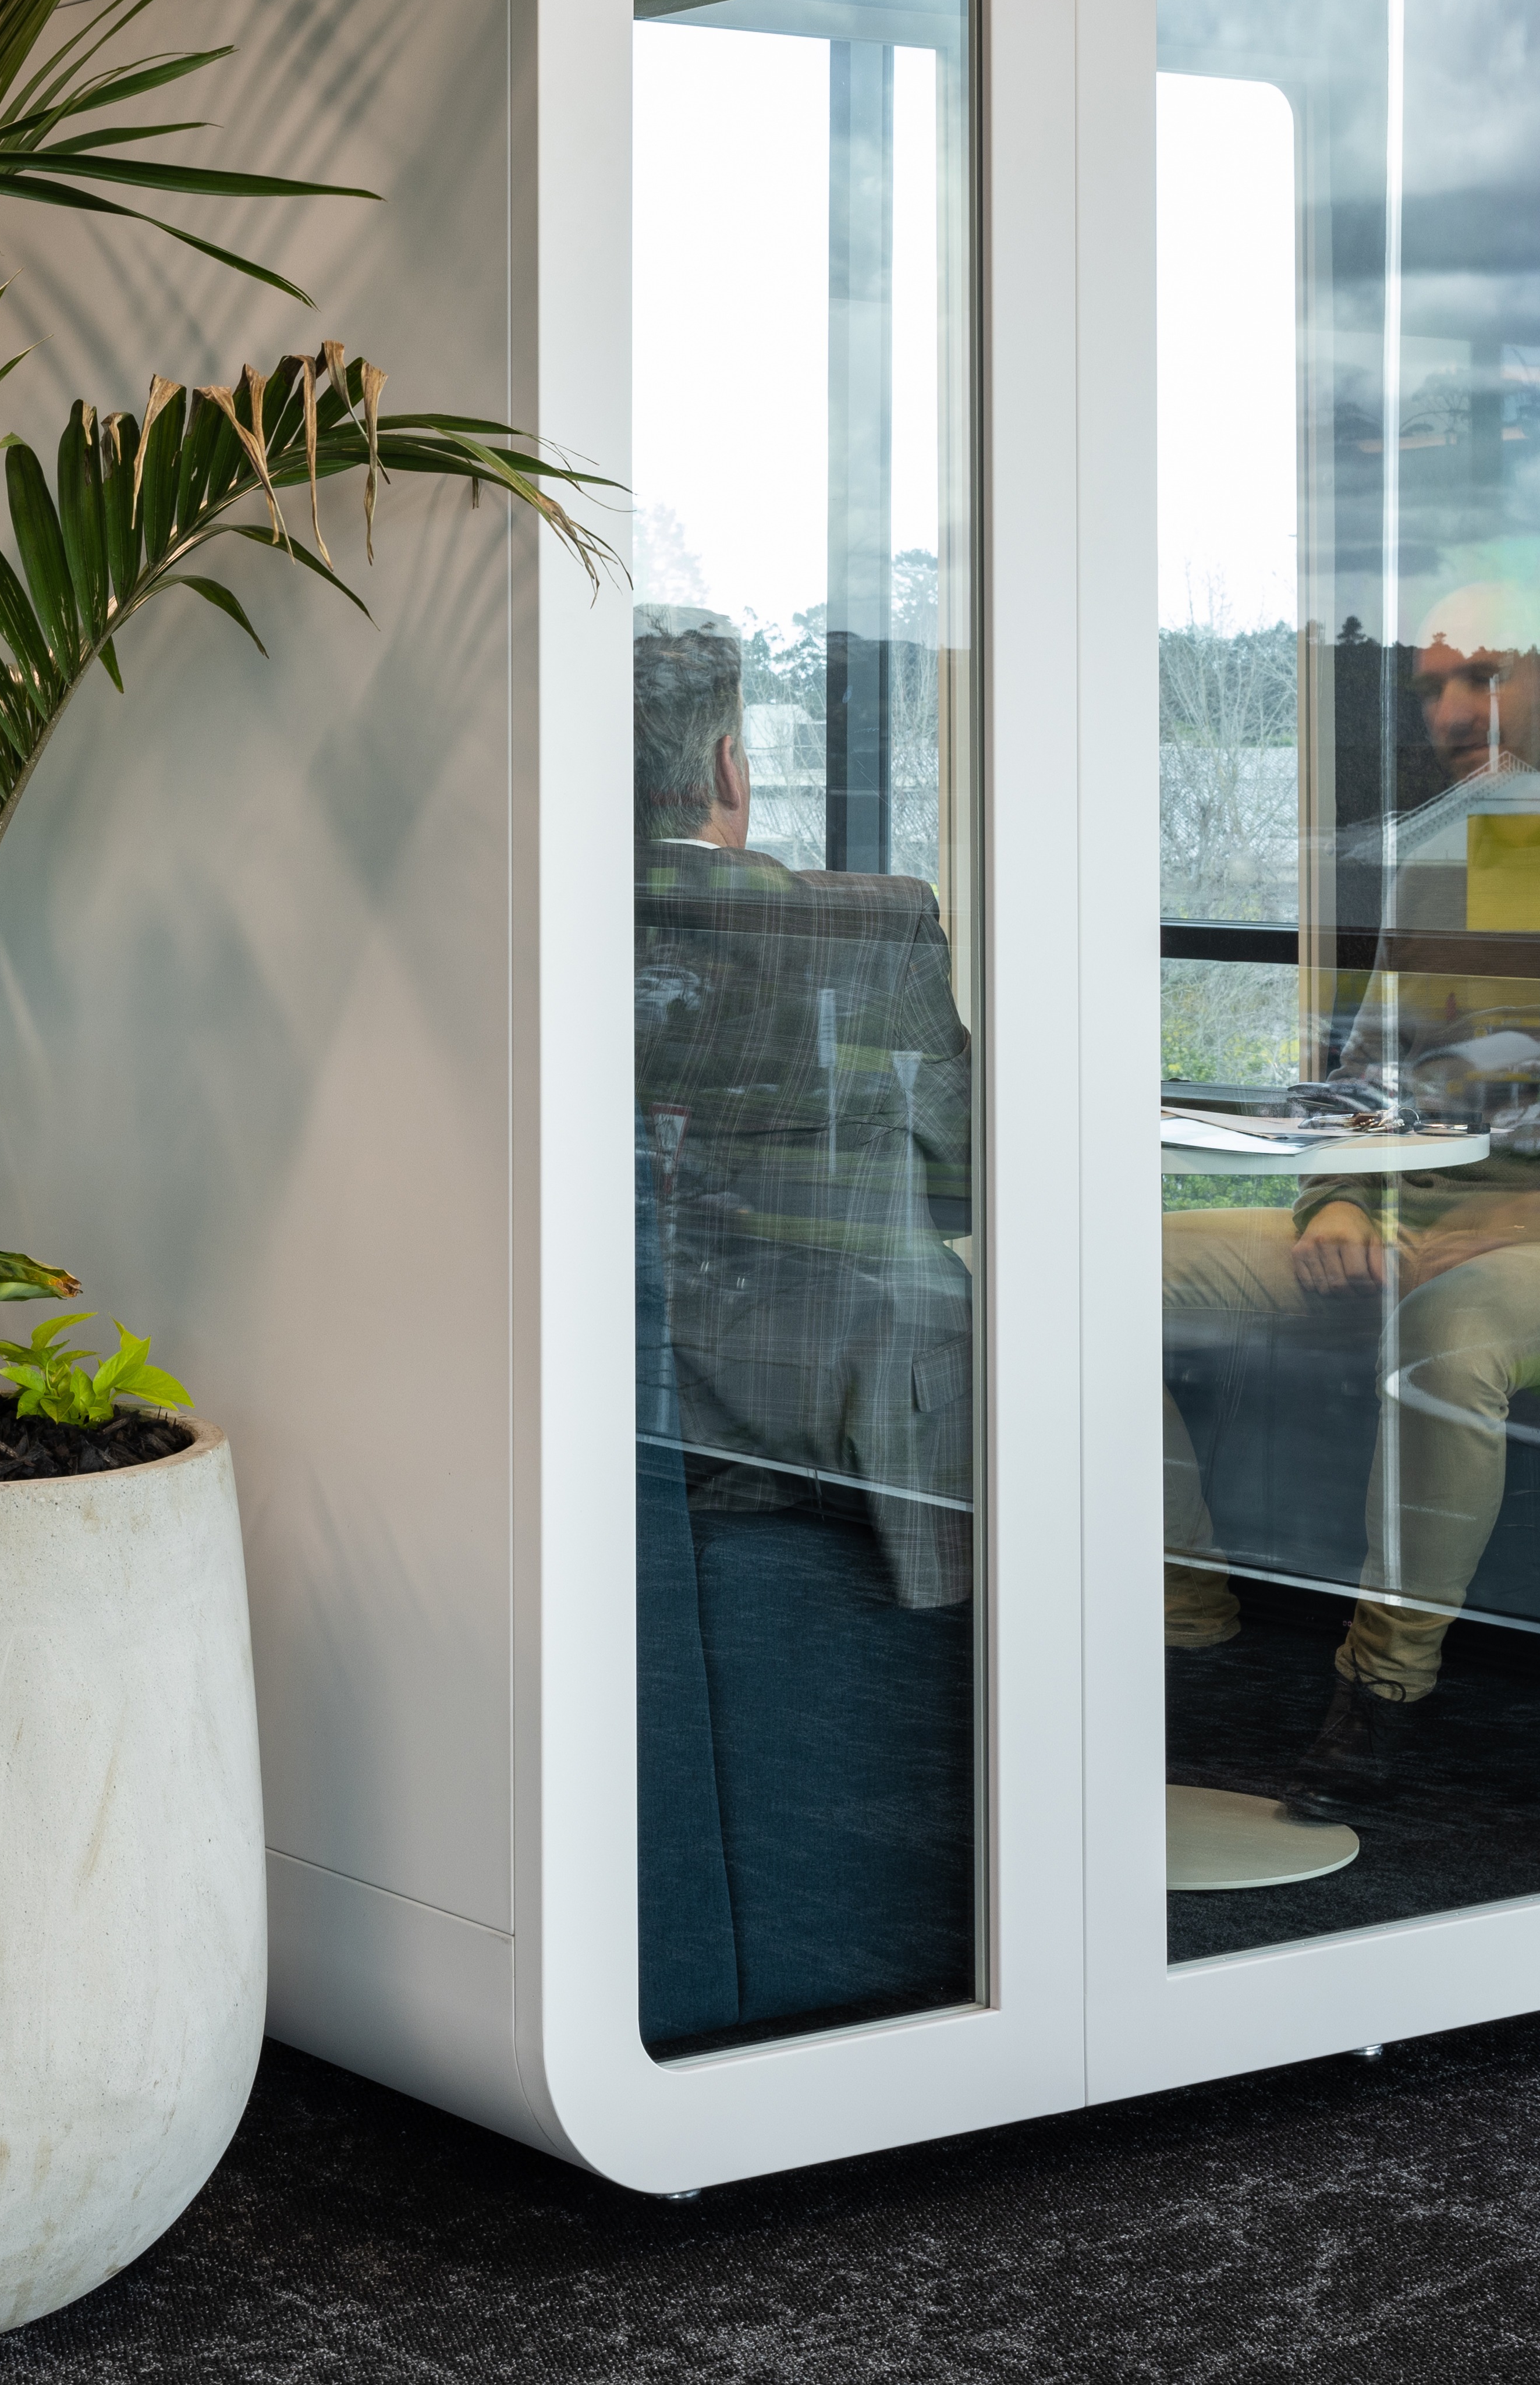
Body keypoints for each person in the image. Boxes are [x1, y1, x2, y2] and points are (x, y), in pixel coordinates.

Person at [1164, 579, 1540, 1811]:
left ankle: (1383, 1691)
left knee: (1446, 1339)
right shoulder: (1434, 859)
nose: (1454, 711)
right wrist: (1334, 1207)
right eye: (1434, 687)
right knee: (1054, 1267)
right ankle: (1185, 1627)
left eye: (1484, 676)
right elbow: (1364, 1078)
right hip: (1407, 1217)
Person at [634, 613, 980, 2042]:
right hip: (834, 1372)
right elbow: (962, 1173)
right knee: (1092, 1380)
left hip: (651, 1364)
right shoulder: (865, 915)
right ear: (729, 761)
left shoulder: (528, 917)